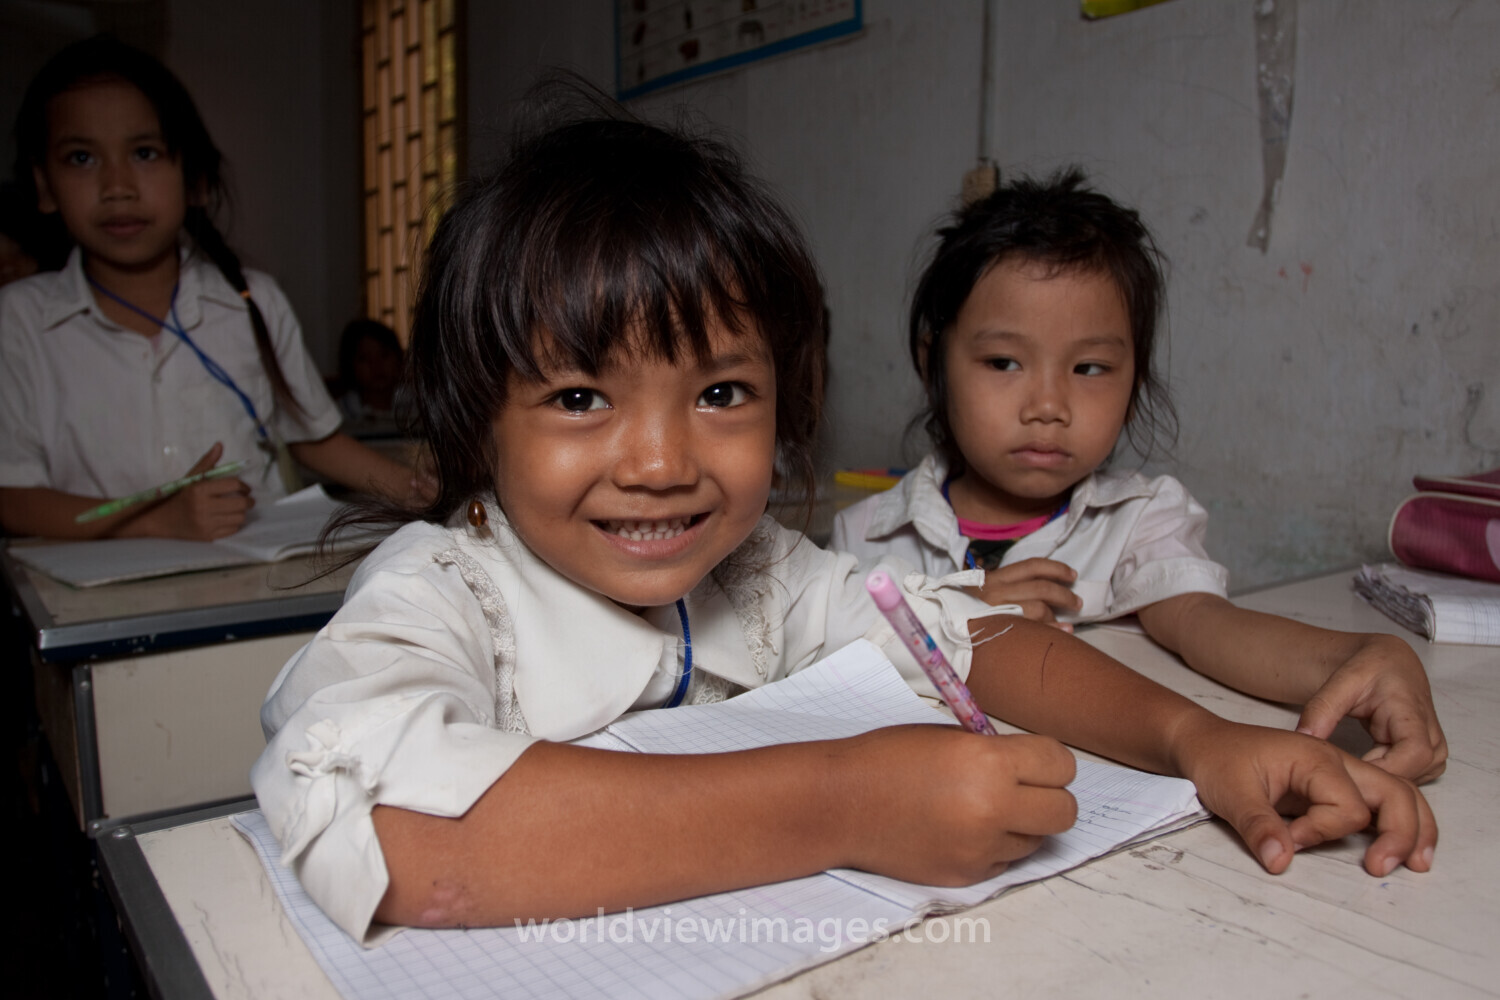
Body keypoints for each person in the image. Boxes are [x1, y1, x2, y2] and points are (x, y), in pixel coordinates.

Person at [250, 92, 1434, 945]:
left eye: (721, 393)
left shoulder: (762, 573)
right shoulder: (441, 592)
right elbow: (389, 829)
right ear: (475, 419)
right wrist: (850, 804)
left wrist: (1198, 745)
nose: (660, 461)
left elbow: (971, 639)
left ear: (788, 401)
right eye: (578, 396)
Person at [830, 168, 1447, 784]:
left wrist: (1359, 655)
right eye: (1004, 361)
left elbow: (1207, 625)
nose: (1048, 404)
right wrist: (955, 615)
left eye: (1091, 367)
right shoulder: (866, 536)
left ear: (1137, 378)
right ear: (931, 359)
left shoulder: (1136, 521)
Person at [0, 36, 431, 541]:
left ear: (197, 179)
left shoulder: (253, 300)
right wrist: (159, 522)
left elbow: (315, 440)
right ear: (45, 186)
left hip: (252, 583)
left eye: (144, 152)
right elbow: (15, 499)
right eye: (80, 158)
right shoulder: (19, 321)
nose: (117, 185)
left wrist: (413, 488)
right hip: (95, 607)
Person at [335, 317, 405, 427]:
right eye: (364, 359)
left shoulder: (418, 407)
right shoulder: (338, 415)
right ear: (351, 366)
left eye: (384, 355)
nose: (376, 366)